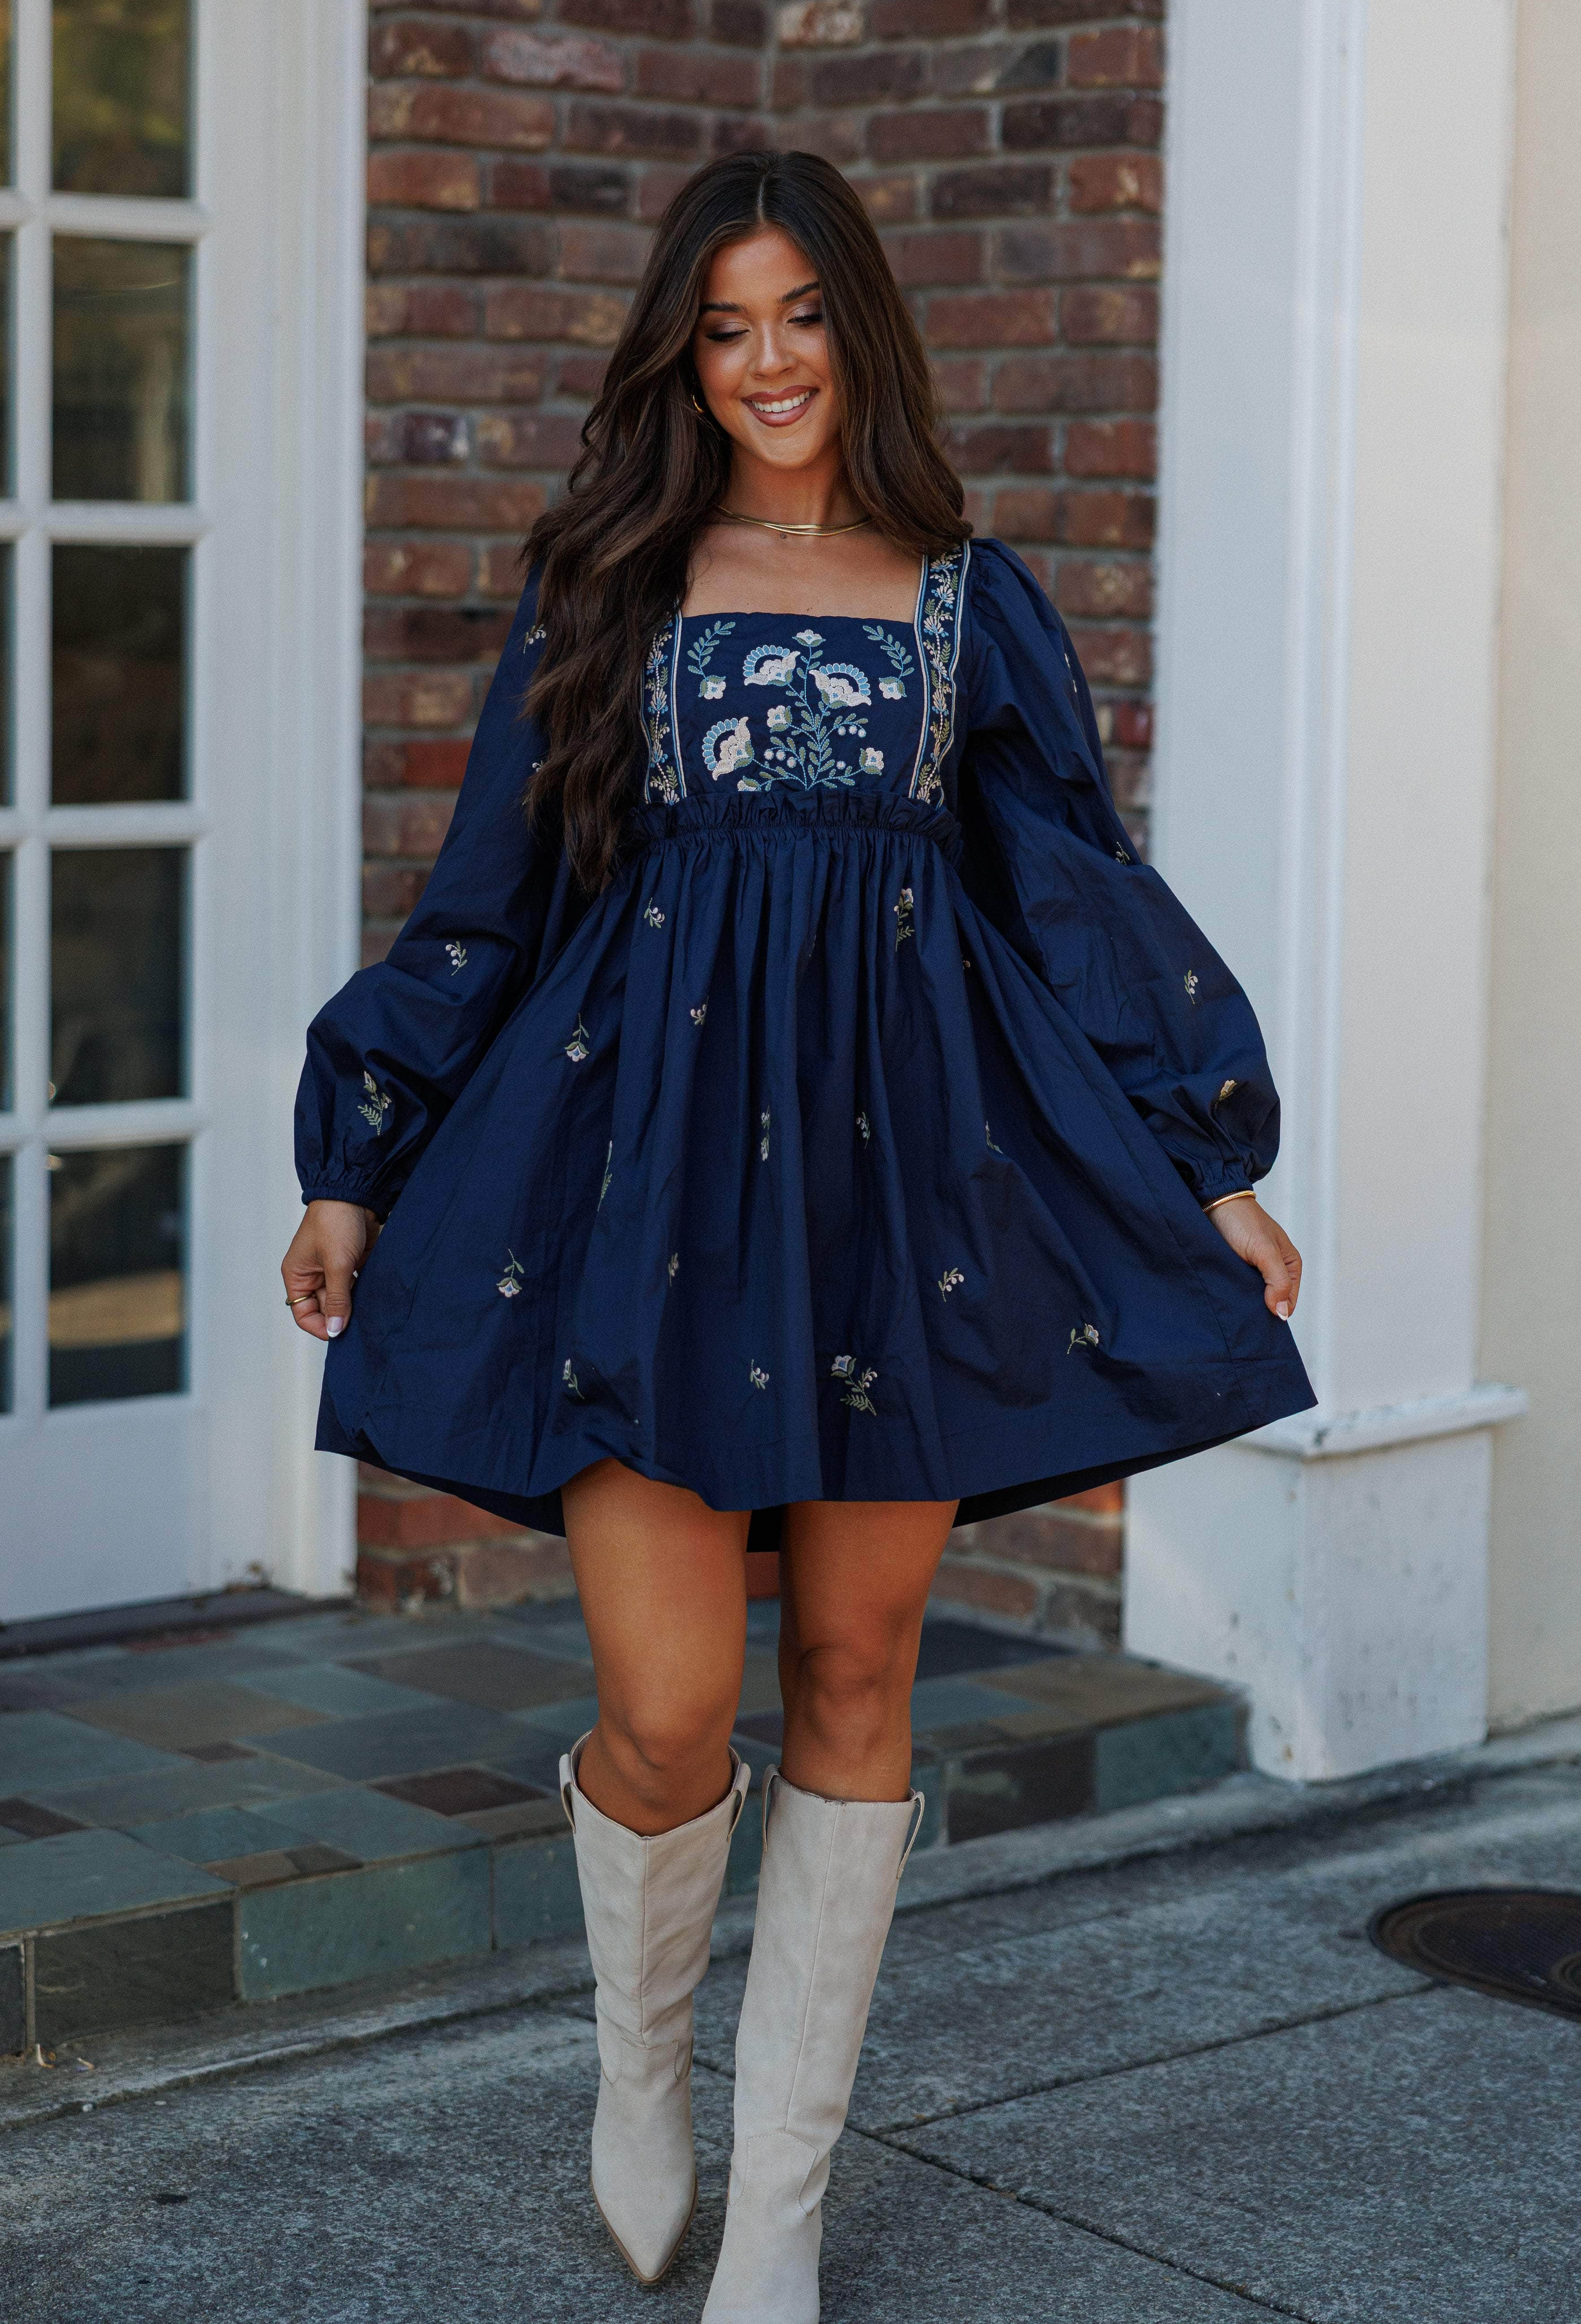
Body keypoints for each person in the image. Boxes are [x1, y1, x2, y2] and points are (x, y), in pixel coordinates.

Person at [281, 149, 1313, 2322]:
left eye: (801, 317)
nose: (764, 363)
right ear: (686, 348)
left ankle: (783, 2210)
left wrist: (1204, 1152)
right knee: (665, 1713)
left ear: (861, 328)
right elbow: (488, 900)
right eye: (724, 325)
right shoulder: (605, 586)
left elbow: (1074, 895)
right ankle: (639, 2072)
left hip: (900, 1195)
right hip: (639, 1183)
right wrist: (353, 1151)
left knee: (856, 1670)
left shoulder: (968, 594)